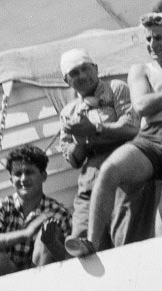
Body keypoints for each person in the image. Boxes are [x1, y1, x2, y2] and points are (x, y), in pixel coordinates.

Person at [65, 12, 162, 256]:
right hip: (151, 139)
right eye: (148, 40)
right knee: (109, 170)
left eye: (158, 38)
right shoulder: (141, 70)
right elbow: (142, 106)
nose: (152, 44)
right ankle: (91, 241)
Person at [56, 48, 140, 246]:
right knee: (81, 237)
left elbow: (131, 128)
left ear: (95, 68)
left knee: (123, 232)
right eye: (74, 73)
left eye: (85, 68)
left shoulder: (116, 88)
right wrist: (79, 139)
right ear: (66, 81)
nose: (82, 76)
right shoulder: (68, 112)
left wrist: (94, 129)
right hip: (91, 174)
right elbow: (73, 159)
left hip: (122, 163)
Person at [0, 144, 70, 280]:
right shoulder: (1, 207)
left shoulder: (58, 213)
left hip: (43, 286)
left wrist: (52, 243)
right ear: (12, 180)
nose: (23, 179)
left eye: (29, 172)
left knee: (46, 239)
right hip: (7, 288)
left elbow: (72, 260)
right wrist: (25, 234)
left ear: (43, 176)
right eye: (18, 174)